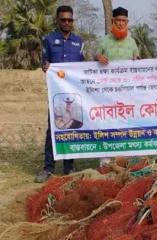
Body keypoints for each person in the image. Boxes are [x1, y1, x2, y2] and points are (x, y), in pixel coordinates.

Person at [35, 5, 85, 183]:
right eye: (63, 19)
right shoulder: (48, 39)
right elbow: (44, 62)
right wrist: (45, 66)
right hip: (56, 94)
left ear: (73, 21)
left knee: (71, 128)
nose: (66, 22)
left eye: (69, 20)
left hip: (73, 94)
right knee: (53, 128)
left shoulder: (79, 42)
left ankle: (69, 166)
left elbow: (83, 67)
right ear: (57, 20)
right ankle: (48, 168)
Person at [95, 7, 140, 166]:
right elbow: (93, 60)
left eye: (123, 21)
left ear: (127, 23)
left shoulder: (132, 42)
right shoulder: (104, 41)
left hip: (127, 95)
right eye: (118, 21)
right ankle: (106, 163)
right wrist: (98, 57)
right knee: (107, 124)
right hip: (107, 94)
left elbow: (137, 59)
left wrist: (137, 59)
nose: (121, 24)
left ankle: (126, 162)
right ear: (112, 22)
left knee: (127, 125)